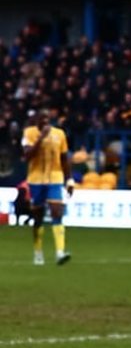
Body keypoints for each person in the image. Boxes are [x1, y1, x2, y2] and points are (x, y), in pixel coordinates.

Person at [22, 109, 73, 265]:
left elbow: (64, 159)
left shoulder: (59, 134)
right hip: (36, 179)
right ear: (36, 121)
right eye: (41, 119)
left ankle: (60, 252)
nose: (45, 122)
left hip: (55, 177)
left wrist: (69, 180)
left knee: (57, 211)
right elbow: (27, 156)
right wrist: (41, 138)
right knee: (38, 217)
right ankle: (38, 252)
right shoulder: (29, 133)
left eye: (47, 119)